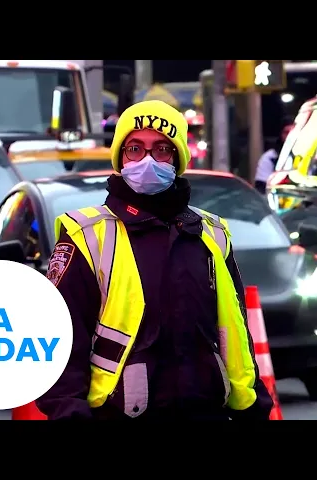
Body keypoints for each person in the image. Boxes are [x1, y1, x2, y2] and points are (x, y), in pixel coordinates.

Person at [37, 100, 273, 421]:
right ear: (120, 158)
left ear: (178, 159)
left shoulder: (211, 233)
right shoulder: (87, 235)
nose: (147, 160)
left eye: (162, 149)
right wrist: (70, 412)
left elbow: (235, 332)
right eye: (135, 148)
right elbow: (63, 338)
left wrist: (253, 407)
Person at [254, 124, 293, 194]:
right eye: (286, 132)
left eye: (293, 132)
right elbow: (261, 186)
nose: (290, 136)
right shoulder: (270, 157)